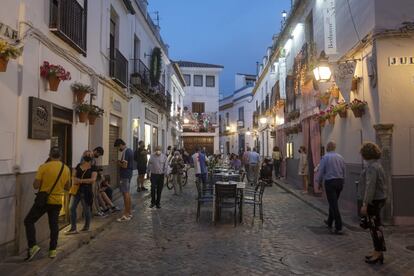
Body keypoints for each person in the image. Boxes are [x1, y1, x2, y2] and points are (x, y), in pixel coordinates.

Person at [24, 147, 71, 261]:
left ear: (49, 155)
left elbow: (35, 185)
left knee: (29, 221)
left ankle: (33, 246)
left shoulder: (43, 167)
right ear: (60, 156)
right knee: (54, 226)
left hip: (43, 201)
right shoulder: (66, 169)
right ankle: (52, 250)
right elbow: (67, 187)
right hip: (57, 201)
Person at [358, 142, 387, 264]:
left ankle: (378, 252)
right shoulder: (377, 165)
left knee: (374, 227)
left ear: (365, 154)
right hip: (379, 198)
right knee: (376, 226)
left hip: (374, 200)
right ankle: (377, 250)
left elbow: (370, 186)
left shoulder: (371, 167)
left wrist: (365, 204)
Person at [317, 141, 345, 235]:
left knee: (333, 204)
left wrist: (319, 181)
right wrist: (343, 181)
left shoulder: (325, 157)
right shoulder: (340, 157)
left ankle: (339, 226)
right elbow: (344, 170)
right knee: (333, 202)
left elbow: (321, 170)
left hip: (330, 182)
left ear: (327, 148)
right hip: (339, 182)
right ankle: (329, 221)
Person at [65, 155, 97, 234]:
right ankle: (73, 228)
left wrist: (81, 180)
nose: (84, 161)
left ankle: (86, 226)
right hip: (76, 190)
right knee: (71, 207)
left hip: (86, 191)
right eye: (84, 160)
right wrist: (81, 180)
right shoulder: (78, 166)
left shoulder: (93, 168)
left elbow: (93, 180)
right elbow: (73, 177)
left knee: (86, 209)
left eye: (85, 160)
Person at [114, 138, 134, 222]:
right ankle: (129, 212)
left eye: (118, 147)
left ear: (120, 145)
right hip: (128, 174)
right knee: (127, 193)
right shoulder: (130, 150)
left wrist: (117, 162)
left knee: (125, 194)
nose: (118, 149)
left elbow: (125, 165)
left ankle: (126, 214)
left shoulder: (126, 151)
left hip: (125, 175)